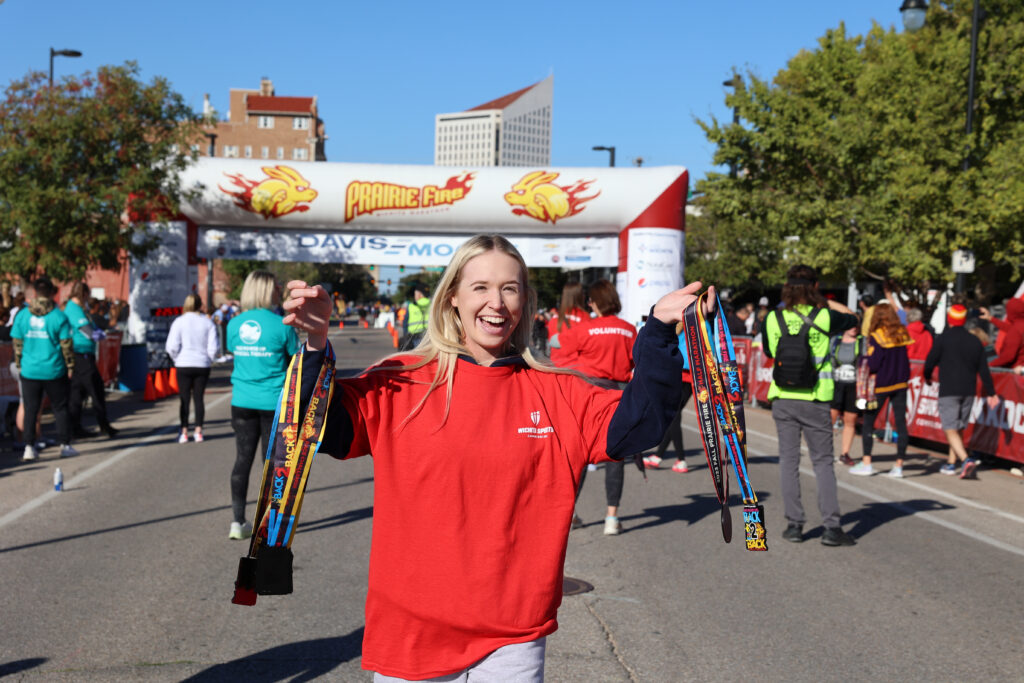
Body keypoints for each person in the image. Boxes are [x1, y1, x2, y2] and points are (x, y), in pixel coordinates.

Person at [282, 234, 706, 681]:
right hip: (413, 635)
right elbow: (312, 427)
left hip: (513, 637)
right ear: (453, 297)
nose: (496, 303)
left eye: (509, 288)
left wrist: (659, 332)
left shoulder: (559, 392)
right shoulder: (400, 382)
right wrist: (315, 345)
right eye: (481, 287)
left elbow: (640, 426)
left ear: (525, 300)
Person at [763, 264, 858, 546]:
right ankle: (831, 528)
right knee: (823, 463)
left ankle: (794, 525)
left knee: (788, 461)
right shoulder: (826, 316)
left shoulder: (773, 318)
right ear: (815, 287)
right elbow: (854, 318)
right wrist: (824, 302)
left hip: (783, 398)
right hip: (816, 399)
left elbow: (769, 351)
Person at [556, 279, 637, 536]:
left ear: (593, 302)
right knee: (615, 455)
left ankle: (570, 513)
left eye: (590, 301)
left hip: (589, 395)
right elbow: (636, 361)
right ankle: (611, 518)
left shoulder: (585, 328)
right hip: (618, 395)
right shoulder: (629, 330)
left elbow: (558, 345)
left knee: (579, 454)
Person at [226, 271, 299, 540]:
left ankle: (237, 521)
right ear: (268, 291)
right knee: (271, 464)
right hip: (272, 402)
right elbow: (295, 361)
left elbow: (233, 351)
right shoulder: (283, 325)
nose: (279, 292)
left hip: (241, 401)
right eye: (276, 288)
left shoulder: (234, 324)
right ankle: (267, 523)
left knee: (241, 461)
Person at [923, 304, 1000, 479]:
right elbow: (984, 369)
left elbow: (930, 361)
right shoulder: (974, 341)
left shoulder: (943, 339)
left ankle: (965, 460)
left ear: (949, 319)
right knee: (958, 427)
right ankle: (951, 463)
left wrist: (927, 376)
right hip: (968, 390)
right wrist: (991, 392)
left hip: (949, 389)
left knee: (950, 428)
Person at [10, 277, 78, 461]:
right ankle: (65, 445)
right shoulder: (58, 316)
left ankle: (29, 447)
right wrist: (70, 366)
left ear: (34, 292)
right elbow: (66, 344)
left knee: (30, 409)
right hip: (54, 370)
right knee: (60, 408)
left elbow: (17, 343)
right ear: (51, 293)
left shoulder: (22, 315)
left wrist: (19, 363)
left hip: (30, 370)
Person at [850, 303, 912, 477]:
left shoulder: (877, 336)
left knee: (868, 422)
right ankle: (899, 466)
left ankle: (867, 463)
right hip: (901, 384)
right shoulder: (902, 333)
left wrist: (864, 359)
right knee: (901, 423)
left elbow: (874, 364)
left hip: (881, 386)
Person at [64, 282, 118, 439]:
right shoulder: (74, 310)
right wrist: (98, 335)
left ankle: (76, 427)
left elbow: (92, 327)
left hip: (83, 353)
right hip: (81, 354)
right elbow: (88, 331)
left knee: (78, 393)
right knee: (96, 389)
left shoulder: (80, 309)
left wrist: (98, 332)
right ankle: (103, 425)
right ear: (84, 294)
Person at [165, 294, 219, 444]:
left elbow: (171, 346)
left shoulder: (179, 321)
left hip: (183, 363)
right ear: (200, 305)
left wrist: (177, 359)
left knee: (184, 399)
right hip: (202, 364)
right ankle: (198, 431)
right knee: (198, 398)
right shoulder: (207, 322)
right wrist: (208, 359)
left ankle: (183, 431)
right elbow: (213, 347)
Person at [643, 322, 692, 473]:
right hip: (693, 375)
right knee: (673, 416)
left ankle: (681, 460)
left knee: (673, 417)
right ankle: (658, 456)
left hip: (679, 372)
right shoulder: (703, 324)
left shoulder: (681, 322)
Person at [828, 318, 862, 467]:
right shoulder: (835, 341)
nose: (854, 328)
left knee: (850, 420)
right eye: (851, 325)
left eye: (856, 326)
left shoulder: (862, 342)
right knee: (829, 419)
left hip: (854, 386)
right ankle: (825, 451)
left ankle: (845, 453)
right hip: (836, 384)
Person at [546, 282, 588, 366]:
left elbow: (551, 340)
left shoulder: (555, 318)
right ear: (579, 296)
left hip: (556, 365)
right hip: (576, 367)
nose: (584, 296)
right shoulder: (584, 317)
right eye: (583, 293)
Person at [982, 298, 1024, 369]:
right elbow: (1009, 328)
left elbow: (1008, 356)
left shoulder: (1016, 330)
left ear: (1011, 312)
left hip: (1017, 370)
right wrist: (990, 318)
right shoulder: (1019, 326)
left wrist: (988, 366)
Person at [402, 283, 430, 350]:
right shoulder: (433, 304)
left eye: (415, 294)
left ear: (419, 294)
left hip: (415, 337)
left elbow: (405, 323)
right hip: (430, 336)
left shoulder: (411, 306)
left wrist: (405, 336)